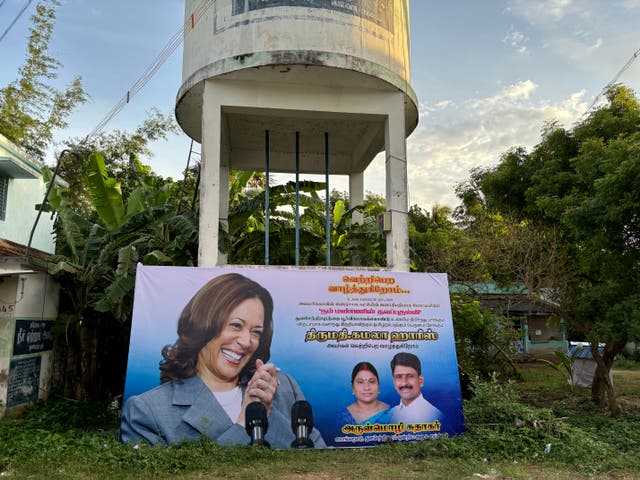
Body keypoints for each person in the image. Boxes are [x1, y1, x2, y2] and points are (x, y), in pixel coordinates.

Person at [120, 273, 325, 448]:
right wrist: (245, 422)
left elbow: (324, 461)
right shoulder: (147, 411)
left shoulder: (284, 389)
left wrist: (267, 412)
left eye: (256, 332)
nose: (246, 342)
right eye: (236, 325)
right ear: (203, 324)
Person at [389, 352, 444, 424]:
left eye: (410, 376)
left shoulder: (436, 417)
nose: (404, 383)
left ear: (420, 381)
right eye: (399, 377)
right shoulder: (390, 415)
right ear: (394, 382)